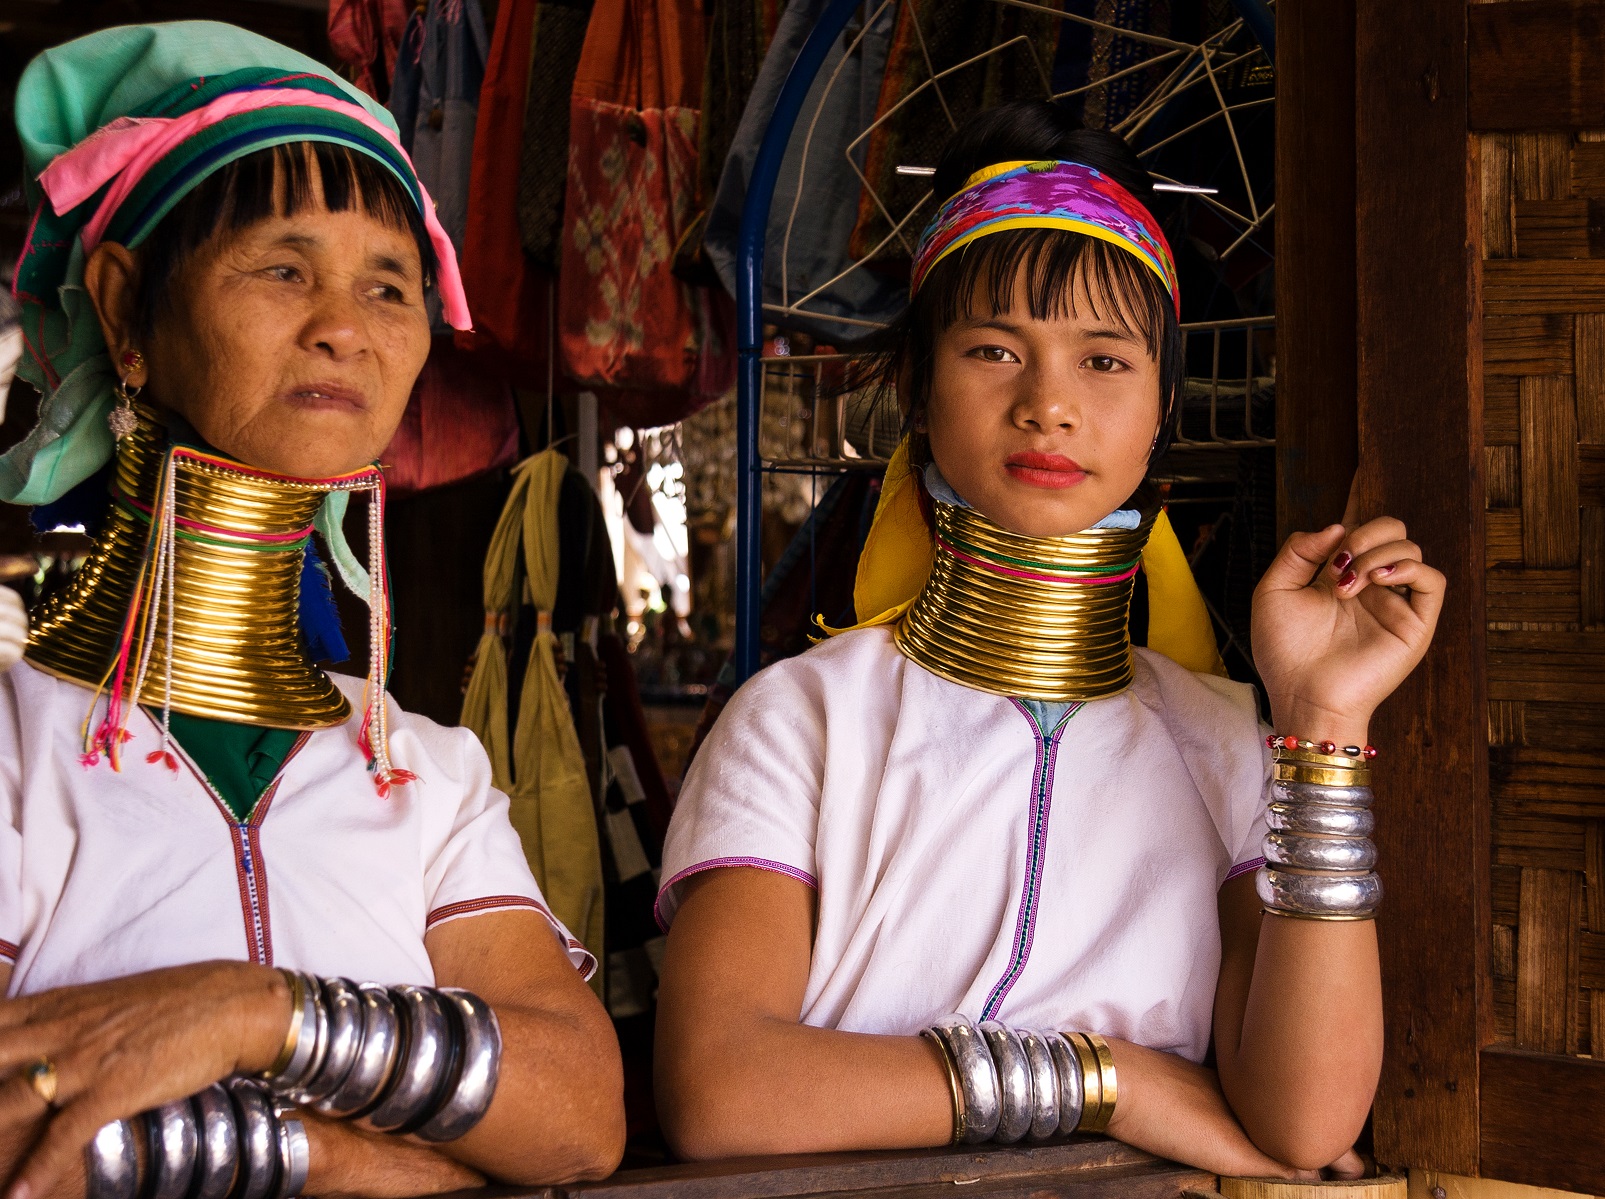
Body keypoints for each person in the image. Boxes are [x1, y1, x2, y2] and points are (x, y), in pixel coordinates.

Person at [653, 102, 1445, 1177]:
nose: (1049, 404)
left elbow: (1304, 1128)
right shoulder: (800, 719)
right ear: (920, 392)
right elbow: (722, 1090)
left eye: (1106, 360)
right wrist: (1109, 1081)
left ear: (1163, 403)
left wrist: (1326, 718)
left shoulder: (1222, 742)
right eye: (992, 349)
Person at [0, 22, 624, 1199]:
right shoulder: (15, 748)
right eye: (284, 268)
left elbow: (580, 1113)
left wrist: (253, 1016)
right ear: (127, 306)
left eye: (389, 285)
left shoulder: (426, 774)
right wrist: (372, 1157)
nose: (347, 324)